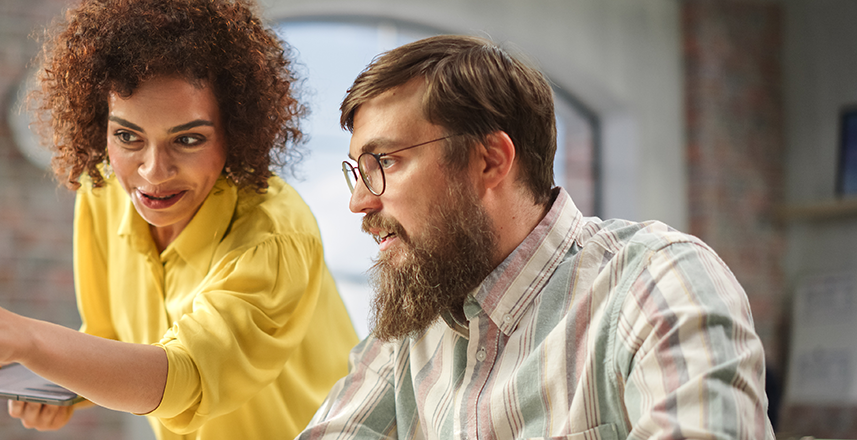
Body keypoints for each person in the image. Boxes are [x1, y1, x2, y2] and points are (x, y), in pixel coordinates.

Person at [297, 35, 775, 439]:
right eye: (356, 171)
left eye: (386, 162)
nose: (359, 201)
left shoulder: (660, 283)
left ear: (489, 161)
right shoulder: (413, 324)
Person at [0, 0, 358, 438]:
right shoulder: (102, 191)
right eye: (127, 136)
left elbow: (186, 378)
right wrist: (60, 379)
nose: (152, 172)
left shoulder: (273, 237)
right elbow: (109, 334)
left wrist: (26, 337)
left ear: (235, 132)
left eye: (188, 139)